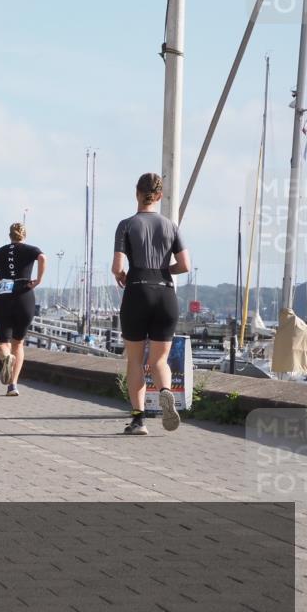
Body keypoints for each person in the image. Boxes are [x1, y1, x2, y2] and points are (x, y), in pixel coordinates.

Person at [112, 172, 191, 435]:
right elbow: (184, 265)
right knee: (159, 361)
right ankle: (166, 392)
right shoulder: (171, 226)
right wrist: (162, 271)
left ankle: (138, 420)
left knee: (135, 361)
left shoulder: (126, 224)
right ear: (159, 197)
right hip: (165, 294)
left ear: (137, 193)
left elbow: (116, 266)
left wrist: (122, 275)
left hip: (137, 292)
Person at [0, 222, 46, 396]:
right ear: (24, 235)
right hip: (25, 294)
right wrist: (38, 280)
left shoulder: (1, 251)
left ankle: (6, 358)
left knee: (3, 343)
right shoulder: (31, 249)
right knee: (19, 343)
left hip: (4, 296)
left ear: (9, 235)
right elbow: (43, 258)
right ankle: (13, 386)